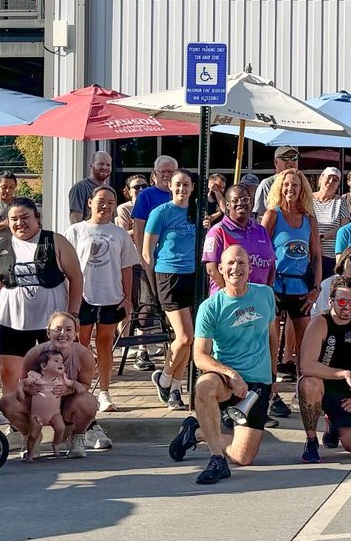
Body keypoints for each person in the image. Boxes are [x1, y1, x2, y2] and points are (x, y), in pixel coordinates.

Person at [0, 200, 86, 437]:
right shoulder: (0, 247)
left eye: (25, 217)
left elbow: (76, 278)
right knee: (11, 375)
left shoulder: (55, 241)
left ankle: (69, 427)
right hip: (12, 322)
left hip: (51, 326)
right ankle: (18, 429)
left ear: (37, 218)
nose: (19, 223)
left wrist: (72, 316)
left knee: (61, 375)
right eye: (14, 219)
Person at [170, 245, 277, 485]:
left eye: (241, 263)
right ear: (220, 269)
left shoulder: (265, 295)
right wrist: (230, 374)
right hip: (225, 379)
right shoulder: (210, 307)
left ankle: (196, 432)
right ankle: (217, 459)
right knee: (203, 386)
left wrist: (274, 375)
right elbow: (199, 356)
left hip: (258, 383)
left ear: (250, 268)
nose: (235, 268)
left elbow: (272, 336)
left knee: (243, 457)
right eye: (229, 263)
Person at [65, 186, 141, 414]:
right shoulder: (76, 231)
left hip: (111, 296)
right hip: (83, 297)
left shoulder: (119, 233)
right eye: (101, 200)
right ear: (89, 202)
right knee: (81, 345)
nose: (105, 205)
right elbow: (66, 266)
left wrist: (127, 299)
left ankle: (105, 392)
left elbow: (127, 268)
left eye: (110, 201)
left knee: (106, 344)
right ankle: (81, 391)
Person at [297, 274, 351, 463]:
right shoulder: (319, 323)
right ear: (331, 301)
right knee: (308, 384)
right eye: (342, 301)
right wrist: (344, 373)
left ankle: (334, 425)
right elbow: (307, 366)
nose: (347, 307)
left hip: (346, 391)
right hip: (321, 384)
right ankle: (311, 440)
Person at [143, 171, 202, 410]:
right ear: (170, 185)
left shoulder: (196, 212)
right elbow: (148, 251)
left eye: (186, 185)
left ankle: (175, 388)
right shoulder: (161, 212)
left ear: (192, 187)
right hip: (168, 275)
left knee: (190, 339)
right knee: (184, 337)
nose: (181, 189)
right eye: (177, 184)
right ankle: (164, 377)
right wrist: (154, 283)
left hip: (192, 275)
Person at [263, 171, 321, 378]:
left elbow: (316, 257)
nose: (290, 188)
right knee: (271, 341)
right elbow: (260, 251)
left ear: (302, 189)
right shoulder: (272, 215)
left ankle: (303, 388)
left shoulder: (309, 220)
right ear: (280, 187)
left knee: (304, 343)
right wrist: (264, 286)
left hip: (301, 287)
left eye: (295, 185)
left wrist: (316, 289)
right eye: (286, 184)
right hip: (275, 286)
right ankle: (270, 390)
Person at [19, 347, 84, 461]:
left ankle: (56, 444)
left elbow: (72, 383)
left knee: (60, 428)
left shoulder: (62, 378)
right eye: (56, 361)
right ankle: (30, 453)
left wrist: (77, 386)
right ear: (44, 366)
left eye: (61, 362)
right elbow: (22, 383)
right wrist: (21, 390)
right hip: (37, 415)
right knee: (33, 435)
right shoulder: (36, 377)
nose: (60, 363)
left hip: (55, 414)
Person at [129, 156, 180, 245]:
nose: (166, 175)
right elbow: (138, 228)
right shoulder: (145, 195)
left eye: (170, 172)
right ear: (155, 174)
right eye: (163, 171)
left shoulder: (182, 194)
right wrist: (141, 255)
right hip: (153, 251)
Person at [66, 151, 116, 224]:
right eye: (101, 164)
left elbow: (112, 220)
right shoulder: (80, 188)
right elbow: (75, 222)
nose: (105, 167)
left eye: (108, 165)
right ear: (91, 165)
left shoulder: (110, 191)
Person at [250, 146, 301, 213]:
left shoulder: (302, 182)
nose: (290, 161)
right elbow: (259, 215)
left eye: (294, 158)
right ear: (275, 162)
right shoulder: (267, 184)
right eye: (285, 158)